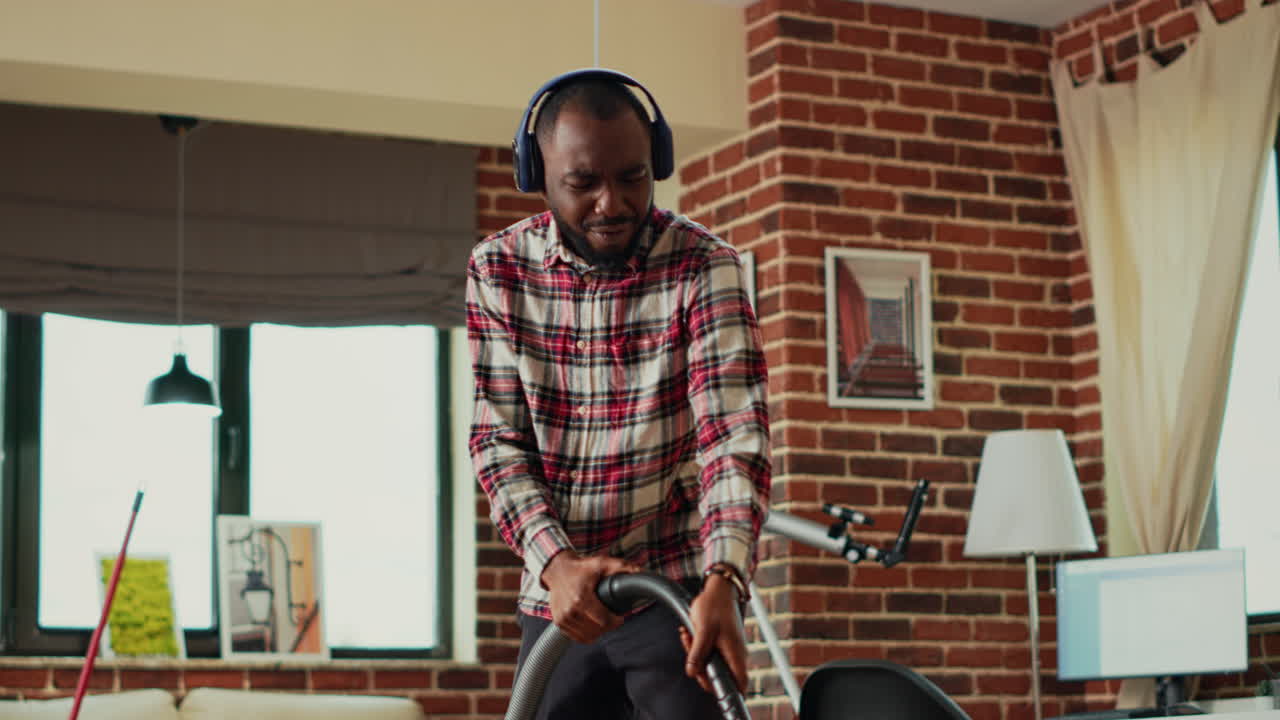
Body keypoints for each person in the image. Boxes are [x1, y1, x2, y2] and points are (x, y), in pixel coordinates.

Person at [466, 68, 771, 719]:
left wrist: (726, 581)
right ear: (539, 175)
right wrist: (556, 565)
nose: (612, 203)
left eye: (633, 177)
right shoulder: (497, 270)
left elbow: (732, 440)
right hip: (562, 599)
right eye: (583, 183)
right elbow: (497, 442)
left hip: (675, 586)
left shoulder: (704, 265)